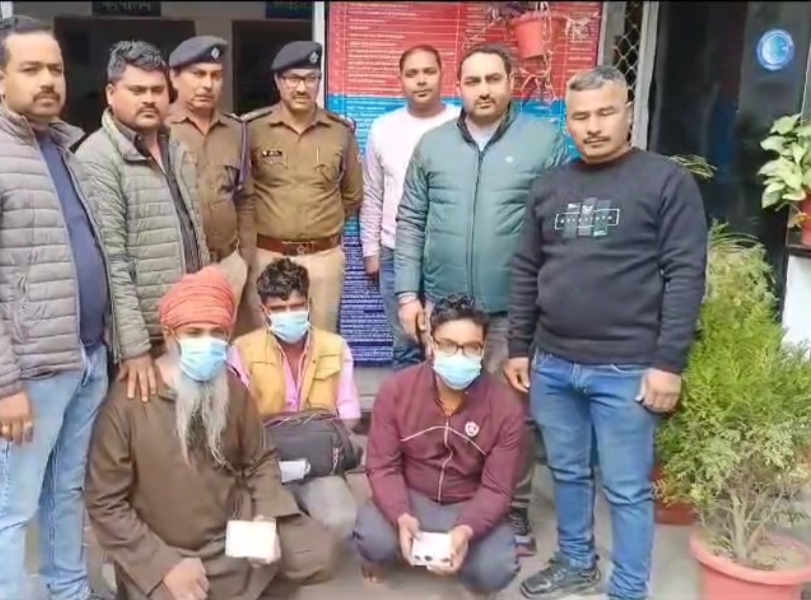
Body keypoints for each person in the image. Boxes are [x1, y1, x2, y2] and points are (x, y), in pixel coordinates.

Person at [506, 66, 708, 600]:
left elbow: (686, 274)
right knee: (567, 473)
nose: (593, 126)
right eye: (581, 116)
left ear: (628, 113)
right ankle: (576, 563)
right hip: (554, 363)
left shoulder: (665, 182)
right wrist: (519, 348)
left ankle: (629, 588)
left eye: (605, 112)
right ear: (567, 122)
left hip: (628, 368)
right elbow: (526, 269)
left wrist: (668, 364)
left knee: (626, 488)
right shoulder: (551, 185)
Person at [0, 16, 114, 600]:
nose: (47, 81)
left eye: (55, 69)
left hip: (85, 357)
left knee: (66, 491)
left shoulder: (64, 149)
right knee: (13, 504)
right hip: (28, 373)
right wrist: (2, 384)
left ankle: (69, 589)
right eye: (30, 69)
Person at [394, 42, 569, 556]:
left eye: (494, 79)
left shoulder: (544, 142)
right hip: (445, 310)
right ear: (460, 87)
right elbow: (410, 222)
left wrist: (545, 303)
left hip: (513, 312)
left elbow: (558, 230)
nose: (484, 90)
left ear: (512, 82)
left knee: (513, 415)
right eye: (473, 81)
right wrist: (408, 296)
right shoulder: (433, 145)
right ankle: (452, 498)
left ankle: (512, 507)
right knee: (443, 407)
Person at [86, 266, 338, 600]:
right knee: (172, 587)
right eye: (194, 333)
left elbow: (260, 459)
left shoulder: (230, 386)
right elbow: (105, 502)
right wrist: (163, 565)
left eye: (216, 332)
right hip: (168, 546)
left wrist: (265, 516)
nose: (206, 343)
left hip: (234, 529)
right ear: (170, 335)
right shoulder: (128, 403)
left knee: (317, 552)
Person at [352, 294, 525, 596]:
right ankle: (400, 545)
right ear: (430, 343)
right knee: (371, 538)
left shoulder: (505, 406)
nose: (459, 356)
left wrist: (467, 529)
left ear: (484, 348)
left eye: (471, 347)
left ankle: (457, 551)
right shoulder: (397, 391)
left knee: (497, 568)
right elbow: (382, 466)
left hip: (466, 501)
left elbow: (497, 488)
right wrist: (400, 515)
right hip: (413, 495)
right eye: (447, 345)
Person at [75, 40, 210, 403]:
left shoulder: (175, 148)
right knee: (147, 429)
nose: (149, 99)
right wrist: (134, 349)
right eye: (137, 91)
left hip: (187, 327)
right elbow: (112, 263)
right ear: (111, 93)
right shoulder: (98, 158)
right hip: (145, 339)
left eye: (156, 90)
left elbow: (195, 235)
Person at [228, 258, 361, 540]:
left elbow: (349, 416)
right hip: (265, 461)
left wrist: (311, 441)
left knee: (340, 520)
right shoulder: (242, 350)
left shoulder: (335, 347)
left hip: (319, 463)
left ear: (309, 305)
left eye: (296, 306)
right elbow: (240, 422)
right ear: (264, 311)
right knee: (255, 535)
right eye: (278, 309)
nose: (289, 315)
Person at [243, 40, 363, 333]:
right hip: (267, 255)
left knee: (322, 342)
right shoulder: (252, 129)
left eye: (310, 79)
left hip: (323, 259)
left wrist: (318, 223)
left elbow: (352, 195)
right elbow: (241, 194)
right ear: (277, 81)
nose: (301, 88)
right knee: (265, 342)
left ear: (319, 81)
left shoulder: (340, 132)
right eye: (293, 79)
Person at [360, 44, 457, 371]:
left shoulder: (461, 122)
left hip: (448, 253)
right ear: (400, 79)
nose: (421, 80)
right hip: (394, 251)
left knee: (450, 342)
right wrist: (371, 250)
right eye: (412, 73)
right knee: (405, 345)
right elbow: (372, 192)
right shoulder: (383, 128)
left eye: (429, 71)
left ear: (442, 74)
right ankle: (410, 404)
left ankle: (448, 404)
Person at [166, 36, 254, 321]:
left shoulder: (236, 130)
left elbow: (245, 197)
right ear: (174, 77)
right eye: (198, 74)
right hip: (178, 269)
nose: (207, 84)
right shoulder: (159, 128)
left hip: (229, 263)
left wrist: (244, 258)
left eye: (216, 76)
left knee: (224, 342)